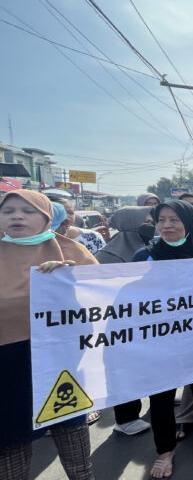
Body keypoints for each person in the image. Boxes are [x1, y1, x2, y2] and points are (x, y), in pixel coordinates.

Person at [0, 189, 98, 480]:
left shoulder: (71, 252)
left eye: (28, 211)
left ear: (46, 217)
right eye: (8, 211)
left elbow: (101, 303)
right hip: (8, 363)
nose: (17, 216)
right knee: (11, 443)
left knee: (73, 439)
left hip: (60, 358)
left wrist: (68, 281)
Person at [132, 200, 193, 479]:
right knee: (161, 396)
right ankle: (164, 451)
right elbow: (126, 296)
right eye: (161, 220)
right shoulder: (144, 255)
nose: (166, 226)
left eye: (174, 220)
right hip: (159, 340)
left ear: (188, 222)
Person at [93, 206, 155, 436]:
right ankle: (126, 418)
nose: (152, 226)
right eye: (146, 222)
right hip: (121, 322)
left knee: (150, 363)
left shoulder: (148, 248)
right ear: (131, 224)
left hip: (146, 317)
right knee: (125, 369)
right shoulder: (109, 255)